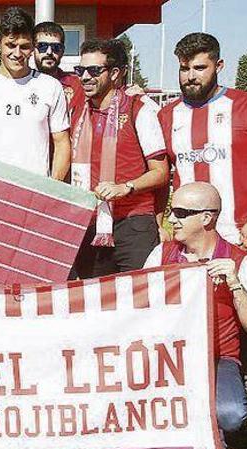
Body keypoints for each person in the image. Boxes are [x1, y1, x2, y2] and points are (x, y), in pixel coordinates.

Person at [143, 182, 247, 440]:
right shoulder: (161, 254)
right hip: (168, 357)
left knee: (230, 414)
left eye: (181, 213)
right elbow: (137, 307)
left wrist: (234, 284)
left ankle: (213, 417)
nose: (172, 219)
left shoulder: (239, 261)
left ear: (207, 218)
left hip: (218, 358)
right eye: (171, 211)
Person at [159, 33, 247, 255]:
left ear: (219, 66)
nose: (191, 76)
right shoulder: (166, 115)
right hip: (188, 241)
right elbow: (162, 176)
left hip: (240, 235)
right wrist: (158, 223)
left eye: (200, 68)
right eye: (184, 69)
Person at [69, 38, 168, 278]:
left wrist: (126, 187)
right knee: (97, 301)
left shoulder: (138, 109)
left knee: (139, 301)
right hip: (89, 221)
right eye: (80, 70)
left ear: (115, 73)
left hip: (133, 222)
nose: (85, 77)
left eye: (94, 70)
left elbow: (161, 172)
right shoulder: (76, 110)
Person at [0, 7, 70, 179]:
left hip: (35, 193)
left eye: (25, 47)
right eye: (11, 45)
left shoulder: (50, 86)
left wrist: (52, 188)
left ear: (33, 47)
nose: (17, 54)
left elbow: (62, 142)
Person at [33, 21, 84, 123]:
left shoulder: (78, 85)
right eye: (42, 46)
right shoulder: (22, 83)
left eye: (56, 47)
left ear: (62, 51)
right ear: (32, 49)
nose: (49, 52)